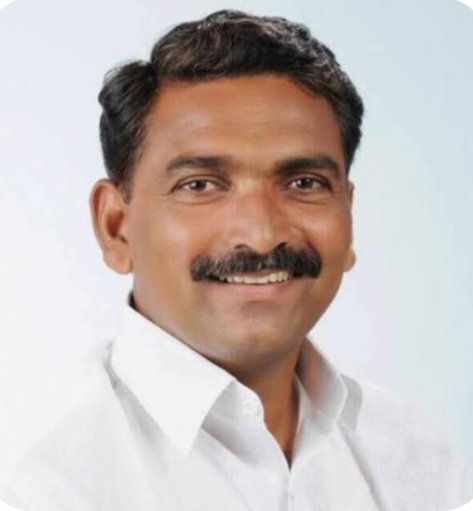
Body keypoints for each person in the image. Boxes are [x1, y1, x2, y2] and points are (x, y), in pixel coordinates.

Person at [1, 9, 471, 511]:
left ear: (348, 217)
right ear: (116, 227)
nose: (262, 234)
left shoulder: (417, 459)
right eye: (200, 185)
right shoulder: (35, 479)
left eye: (304, 183)